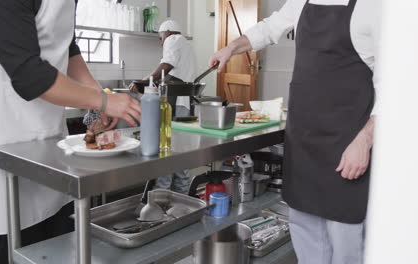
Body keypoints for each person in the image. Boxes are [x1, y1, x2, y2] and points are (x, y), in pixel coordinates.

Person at [0, 1, 140, 263]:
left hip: (43, 114)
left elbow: (69, 48)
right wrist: (102, 102)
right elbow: (27, 72)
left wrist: (101, 97)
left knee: (58, 225)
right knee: (16, 230)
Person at [210, 0, 378, 263]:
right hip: (304, 136)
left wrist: (365, 139)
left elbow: (394, 82)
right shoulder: (303, 1)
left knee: (345, 234)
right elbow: (268, 29)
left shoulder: (373, 6)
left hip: (347, 140)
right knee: (303, 224)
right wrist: (231, 48)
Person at [130, 20, 197, 194]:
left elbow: (167, 65)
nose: (161, 42)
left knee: (166, 151)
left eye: (161, 37)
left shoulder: (173, 39)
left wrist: (145, 81)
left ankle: (161, 199)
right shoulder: (185, 44)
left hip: (174, 105)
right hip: (184, 105)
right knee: (181, 155)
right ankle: (181, 199)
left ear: (167, 32)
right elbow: (167, 72)